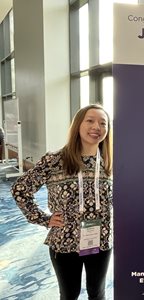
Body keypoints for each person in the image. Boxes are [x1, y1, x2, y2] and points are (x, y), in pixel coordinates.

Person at [11, 104, 113, 300]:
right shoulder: (55, 160)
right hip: (65, 240)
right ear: (78, 125)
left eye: (103, 123)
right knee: (69, 295)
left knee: (98, 294)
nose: (97, 127)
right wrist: (43, 219)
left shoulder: (110, 163)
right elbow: (20, 189)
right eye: (90, 120)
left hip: (101, 240)